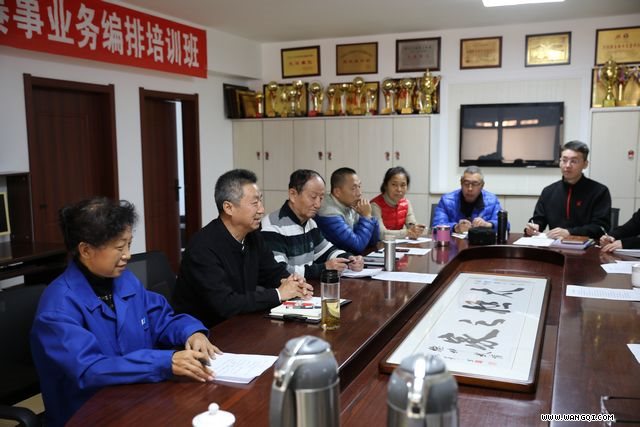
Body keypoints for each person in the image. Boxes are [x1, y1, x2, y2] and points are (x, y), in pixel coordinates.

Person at [30, 197, 222, 427]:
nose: (128, 255)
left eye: (129, 244)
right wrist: (163, 362)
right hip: (87, 414)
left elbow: (161, 319)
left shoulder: (125, 280)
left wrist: (191, 332)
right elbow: (89, 369)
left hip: (139, 398)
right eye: (120, 248)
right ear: (86, 250)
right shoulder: (59, 306)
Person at [173, 169, 313, 327]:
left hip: (240, 322)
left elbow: (271, 272)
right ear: (229, 208)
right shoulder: (203, 247)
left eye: (260, 201)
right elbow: (225, 304)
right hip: (203, 332)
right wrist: (279, 294)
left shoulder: (252, 236)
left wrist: (291, 282)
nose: (261, 210)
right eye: (254, 203)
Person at [261, 169, 365, 279]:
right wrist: (324, 268)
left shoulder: (310, 223)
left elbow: (327, 251)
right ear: (293, 194)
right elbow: (280, 271)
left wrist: (350, 259)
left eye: (321, 198)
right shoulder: (272, 226)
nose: (318, 204)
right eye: (313, 197)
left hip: (305, 286)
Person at [525, 141, 611, 239]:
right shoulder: (549, 191)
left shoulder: (599, 191)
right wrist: (533, 227)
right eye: (564, 160)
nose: (567, 165)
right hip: (554, 245)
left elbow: (601, 227)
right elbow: (538, 220)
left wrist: (569, 232)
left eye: (574, 161)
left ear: (585, 164)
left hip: (588, 245)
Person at [315, 167, 379, 254]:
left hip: (348, 259)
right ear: (337, 192)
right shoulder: (328, 212)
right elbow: (356, 247)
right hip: (330, 260)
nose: (359, 193)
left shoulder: (350, 204)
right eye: (353, 188)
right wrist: (367, 217)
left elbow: (372, 242)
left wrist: (369, 217)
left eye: (359, 186)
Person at [432, 166, 504, 233]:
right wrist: (455, 227)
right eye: (466, 183)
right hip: (454, 242)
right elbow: (436, 226)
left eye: (475, 184)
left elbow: (505, 226)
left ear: (482, 185)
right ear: (461, 183)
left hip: (481, 242)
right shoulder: (446, 200)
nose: (470, 188)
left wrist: (488, 224)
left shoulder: (492, 200)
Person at [370, 166, 425, 240]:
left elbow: (412, 225)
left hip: (397, 245)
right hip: (378, 245)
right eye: (394, 184)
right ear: (386, 185)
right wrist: (407, 232)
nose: (399, 189)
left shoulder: (406, 203)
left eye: (403, 185)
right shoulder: (375, 205)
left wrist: (417, 230)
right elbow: (381, 234)